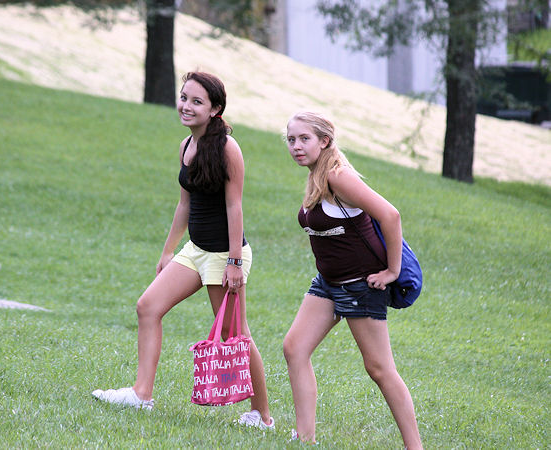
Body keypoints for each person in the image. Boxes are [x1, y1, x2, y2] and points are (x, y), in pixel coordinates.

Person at [92, 71, 274, 430]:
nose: (186, 106)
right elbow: (184, 204)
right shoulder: (186, 146)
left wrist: (235, 262)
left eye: (196, 101)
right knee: (148, 306)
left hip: (224, 255)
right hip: (195, 250)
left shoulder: (228, 149)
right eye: (184, 98)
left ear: (215, 109)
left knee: (235, 335)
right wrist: (168, 251)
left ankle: (262, 415)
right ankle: (141, 394)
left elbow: (235, 207)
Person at [281, 111, 422, 448]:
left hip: (359, 286)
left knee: (379, 368)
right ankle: (305, 438)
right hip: (328, 283)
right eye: (291, 139)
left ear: (324, 141)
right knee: (295, 348)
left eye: (304, 139)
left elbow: (390, 215)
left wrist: (392, 271)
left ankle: (415, 447)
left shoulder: (337, 176)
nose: (296, 146)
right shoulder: (317, 176)